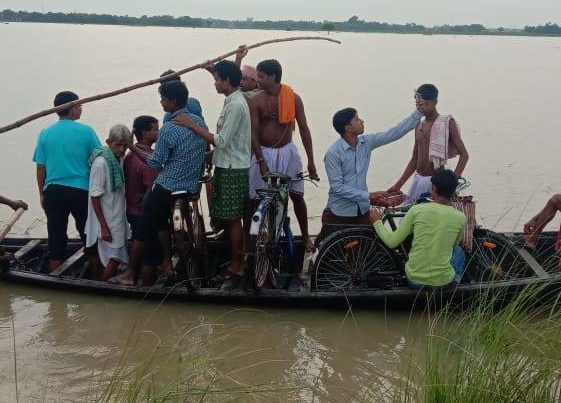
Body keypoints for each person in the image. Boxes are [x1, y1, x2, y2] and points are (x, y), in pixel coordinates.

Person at [117, 81, 208, 286]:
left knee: (142, 230)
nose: (161, 102)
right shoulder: (199, 123)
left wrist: (132, 146)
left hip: (167, 186)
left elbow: (155, 161)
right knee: (161, 224)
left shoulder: (169, 128)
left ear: (172, 101)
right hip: (190, 187)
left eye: (163, 99)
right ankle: (167, 262)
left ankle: (130, 274)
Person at [172, 59, 252, 289]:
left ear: (227, 81)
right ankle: (235, 261)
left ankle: (237, 265)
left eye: (217, 79)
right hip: (226, 164)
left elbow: (222, 140)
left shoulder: (236, 104)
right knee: (227, 217)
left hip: (232, 168)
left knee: (232, 218)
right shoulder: (232, 99)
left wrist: (192, 125)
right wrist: (211, 156)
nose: (214, 83)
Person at [318, 105, 423, 245]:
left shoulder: (366, 142)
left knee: (370, 250)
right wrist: (369, 195)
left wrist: (418, 113)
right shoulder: (333, 154)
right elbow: (338, 187)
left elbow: (393, 133)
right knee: (333, 254)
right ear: (348, 127)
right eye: (356, 119)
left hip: (362, 209)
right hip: (341, 212)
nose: (362, 121)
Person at [247, 58, 319, 249]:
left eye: (261, 77)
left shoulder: (293, 98)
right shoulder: (256, 100)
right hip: (263, 153)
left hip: (288, 153)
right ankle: (253, 242)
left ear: (272, 77)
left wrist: (311, 161)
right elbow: (253, 132)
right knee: (255, 199)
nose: (258, 80)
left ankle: (304, 237)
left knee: (296, 196)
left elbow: (304, 130)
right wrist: (260, 160)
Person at [33, 91, 102, 272]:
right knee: (88, 233)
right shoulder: (86, 131)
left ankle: (54, 274)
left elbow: (41, 168)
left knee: (56, 235)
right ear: (71, 109)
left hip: (53, 191)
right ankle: (97, 274)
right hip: (80, 190)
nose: (81, 108)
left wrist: (42, 192)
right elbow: (99, 159)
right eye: (79, 105)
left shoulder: (45, 133)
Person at [369, 169, 465, 289]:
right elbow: (453, 246)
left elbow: (392, 242)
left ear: (433, 188)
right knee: (459, 252)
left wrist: (377, 222)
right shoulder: (461, 217)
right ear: (453, 192)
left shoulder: (417, 210)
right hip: (443, 283)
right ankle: (455, 287)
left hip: (415, 281)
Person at [387, 84, 470, 203]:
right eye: (418, 105)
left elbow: (464, 155)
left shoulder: (446, 123)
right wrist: (398, 184)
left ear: (435, 101)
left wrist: (452, 182)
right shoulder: (419, 125)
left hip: (437, 185)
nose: (421, 108)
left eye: (424, 104)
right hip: (418, 180)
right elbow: (414, 160)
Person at [85, 124, 132, 281]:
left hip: (116, 215)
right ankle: (101, 286)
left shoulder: (119, 159)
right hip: (107, 218)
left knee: (111, 256)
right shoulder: (101, 163)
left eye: (124, 145)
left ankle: (101, 284)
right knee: (115, 256)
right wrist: (103, 226)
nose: (121, 149)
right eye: (118, 145)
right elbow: (95, 196)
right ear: (108, 142)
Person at [123, 115, 160, 234]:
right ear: (144, 133)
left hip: (131, 210)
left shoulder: (129, 155)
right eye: (155, 130)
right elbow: (151, 189)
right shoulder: (147, 159)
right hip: (143, 212)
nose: (159, 133)